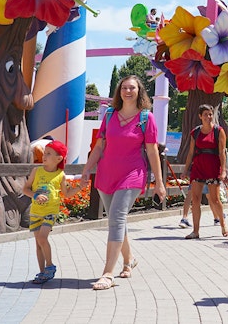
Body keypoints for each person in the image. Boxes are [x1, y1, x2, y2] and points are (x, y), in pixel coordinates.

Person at [82, 75, 167, 291]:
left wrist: (159, 182)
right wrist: (86, 169)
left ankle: (107, 273)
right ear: (119, 91)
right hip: (106, 174)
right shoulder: (110, 115)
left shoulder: (146, 118)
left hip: (132, 174)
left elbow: (152, 150)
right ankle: (129, 260)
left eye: (132, 88)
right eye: (124, 87)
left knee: (117, 218)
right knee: (116, 219)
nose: (127, 91)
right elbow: (100, 146)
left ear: (139, 92)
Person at [23, 140, 86, 284]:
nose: (44, 156)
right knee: (38, 243)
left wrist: (80, 187)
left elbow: (67, 193)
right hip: (36, 212)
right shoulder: (36, 171)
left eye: (49, 154)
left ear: (59, 159)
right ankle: (42, 272)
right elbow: (25, 189)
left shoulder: (60, 175)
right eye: (44, 153)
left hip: (50, 211)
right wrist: (35, 195)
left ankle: (50, 266)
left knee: (42, 238)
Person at [181, 104, 228, 239]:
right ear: (200, 116)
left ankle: (223, 224)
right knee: (195, 199)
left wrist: (223, 170)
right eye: (205, 114)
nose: (208, 117)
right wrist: (185, 170)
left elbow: (222, 152)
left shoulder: (218, 131)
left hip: (213, 167)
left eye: (210, 114)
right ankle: (195, 231)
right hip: (198, 167)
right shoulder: (195, 132)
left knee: (214, 200)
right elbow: (191, 152)